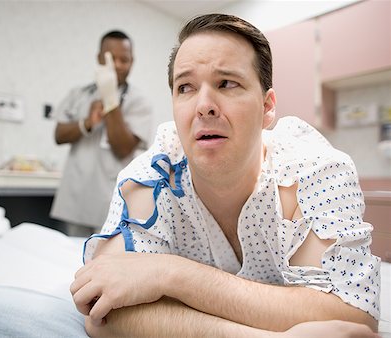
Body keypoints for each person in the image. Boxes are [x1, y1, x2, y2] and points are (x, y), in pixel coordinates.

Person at [70, 14, 381, 337]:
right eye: (185, 87)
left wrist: (172, 274)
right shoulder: (151, 178)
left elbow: (354, 316)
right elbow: (101, 311)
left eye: (226, 83)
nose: (204, 106)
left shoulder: (314, 170)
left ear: (267, 106)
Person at [50, 30, 153, 234]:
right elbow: (59, 135)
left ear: (132, 62)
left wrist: (110, 99)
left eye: (124, 59)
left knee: (104, 262)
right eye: (110, 58)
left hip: (109, 202)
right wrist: (87, 123)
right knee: (67, 261)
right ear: (99, 59)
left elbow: (123, 148)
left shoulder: (139, 101)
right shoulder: (79, 94)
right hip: (75, 199)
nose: (117, 65)